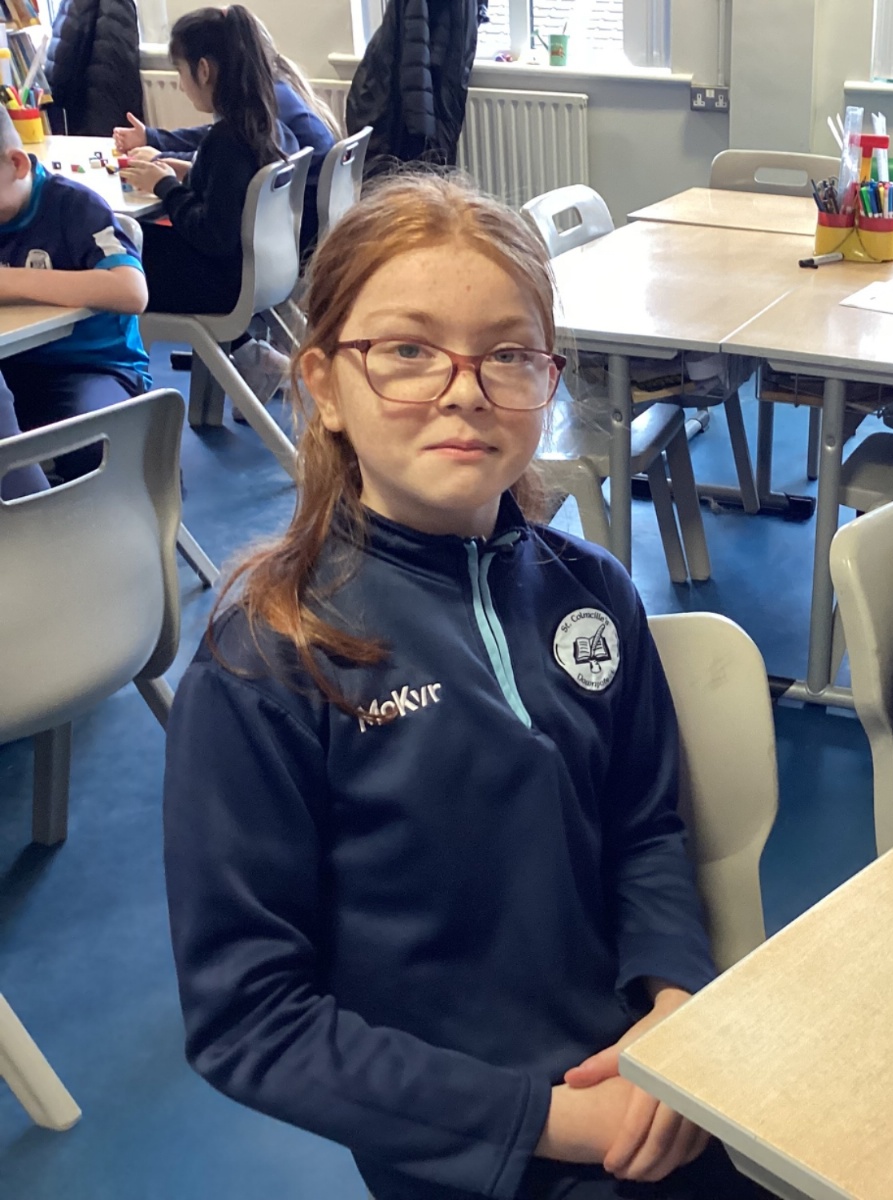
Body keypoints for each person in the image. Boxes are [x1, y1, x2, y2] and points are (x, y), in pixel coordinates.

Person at [162, 173, 771, 1200]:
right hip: (478, 1150)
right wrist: (551, 1123)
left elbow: (645, 829)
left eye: (507, 354)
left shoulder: (593, 592)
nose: (464, 390)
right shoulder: (267, 660)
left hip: (651, 1085)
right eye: (407, 351)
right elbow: (250, 1018)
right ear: (324, 385)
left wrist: (674, 1003)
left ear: (548, 378)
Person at [0, 113, 150, 484]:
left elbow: (131, 291)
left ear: (16, 164)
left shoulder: (74, 206)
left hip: (91, 367)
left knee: (99, 446)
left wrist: (11, 281)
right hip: (12, 369)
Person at [114, 8, 339, 254]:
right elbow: (235, 189)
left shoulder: (227, 139)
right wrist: (188, 172)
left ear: (203, 70)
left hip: (227, 272)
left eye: (180, 71)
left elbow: (214, 236)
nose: (181, 85)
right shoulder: (268, 123)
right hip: (272, 258)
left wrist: (165, 186)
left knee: (125, 242)